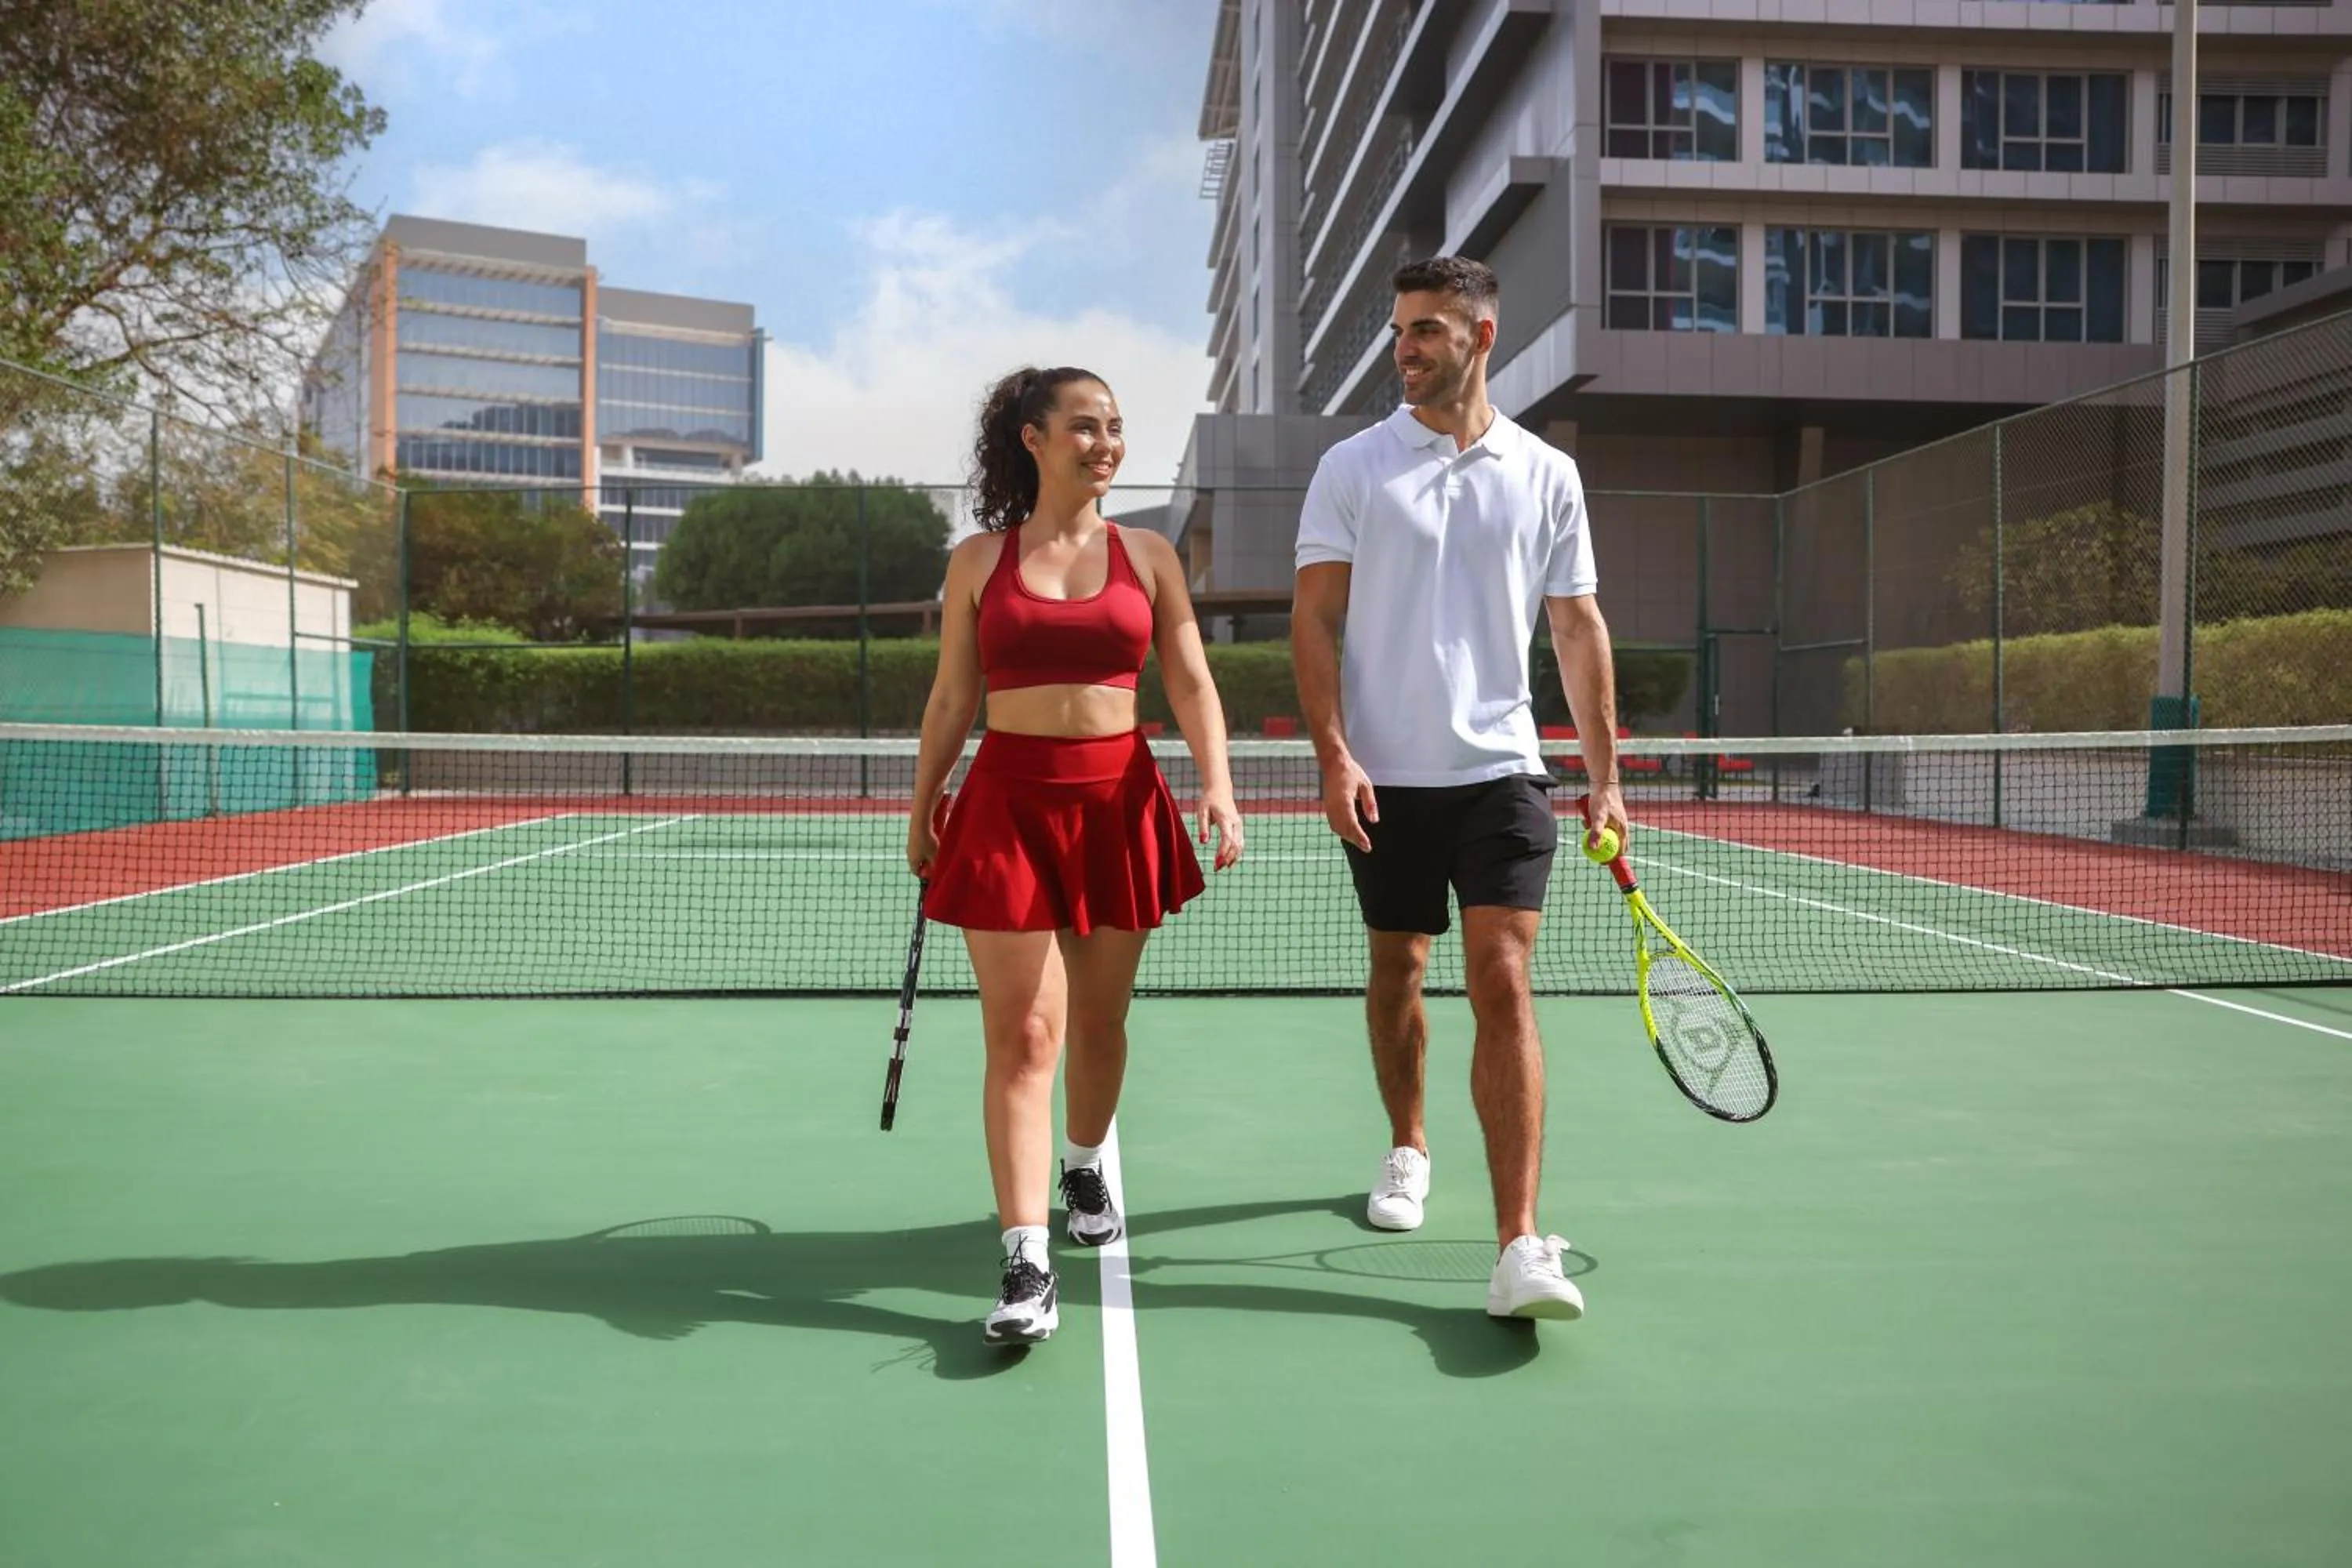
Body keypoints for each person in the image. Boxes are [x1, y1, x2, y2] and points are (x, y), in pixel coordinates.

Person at [1290, 256, 1628, 1323]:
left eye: (1426, 331)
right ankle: (1407, 1145)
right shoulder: (1352, 468)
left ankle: (1521, 1243)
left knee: (1503, 981)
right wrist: (1334, 755)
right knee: (1399, 968)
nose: (1406, 349)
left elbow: (1577, 627)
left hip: (1502, 773)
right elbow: (1315, 621)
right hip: (1385, 781)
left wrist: (1605, 776)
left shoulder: (1546, 474)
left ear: (1482, 334)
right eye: (1399, 331)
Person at [909, 365, 1245, 1347]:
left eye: (1116, 429)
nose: (1106, 444)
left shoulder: (1148, 555)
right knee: (1023, 1038)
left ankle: (1085, 1158)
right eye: (1086, 427)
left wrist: (1216, 785)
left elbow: (1189, 679)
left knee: (1099, 1023)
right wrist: (923, 802)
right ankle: (1025, 1256)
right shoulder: (977, 561)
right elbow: (948, 699)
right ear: (1034, 439)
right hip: (1007, 804)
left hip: (1118, 803)